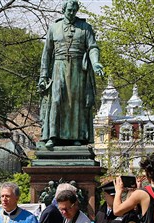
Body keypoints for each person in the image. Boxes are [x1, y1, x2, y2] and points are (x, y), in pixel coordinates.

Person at [38, 0, 104, 149]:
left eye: (74, 10)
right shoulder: (54, 27)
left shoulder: (85, 28)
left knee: (76, 103)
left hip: (78, 69)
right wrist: (43, 75)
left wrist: (95, 63)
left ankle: (77, 137)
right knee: (56, 100)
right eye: (69, 10)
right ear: (63, 10)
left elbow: (93, 47)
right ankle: (53, 136)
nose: (72, 13)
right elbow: (47, 53)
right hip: (58, 67)